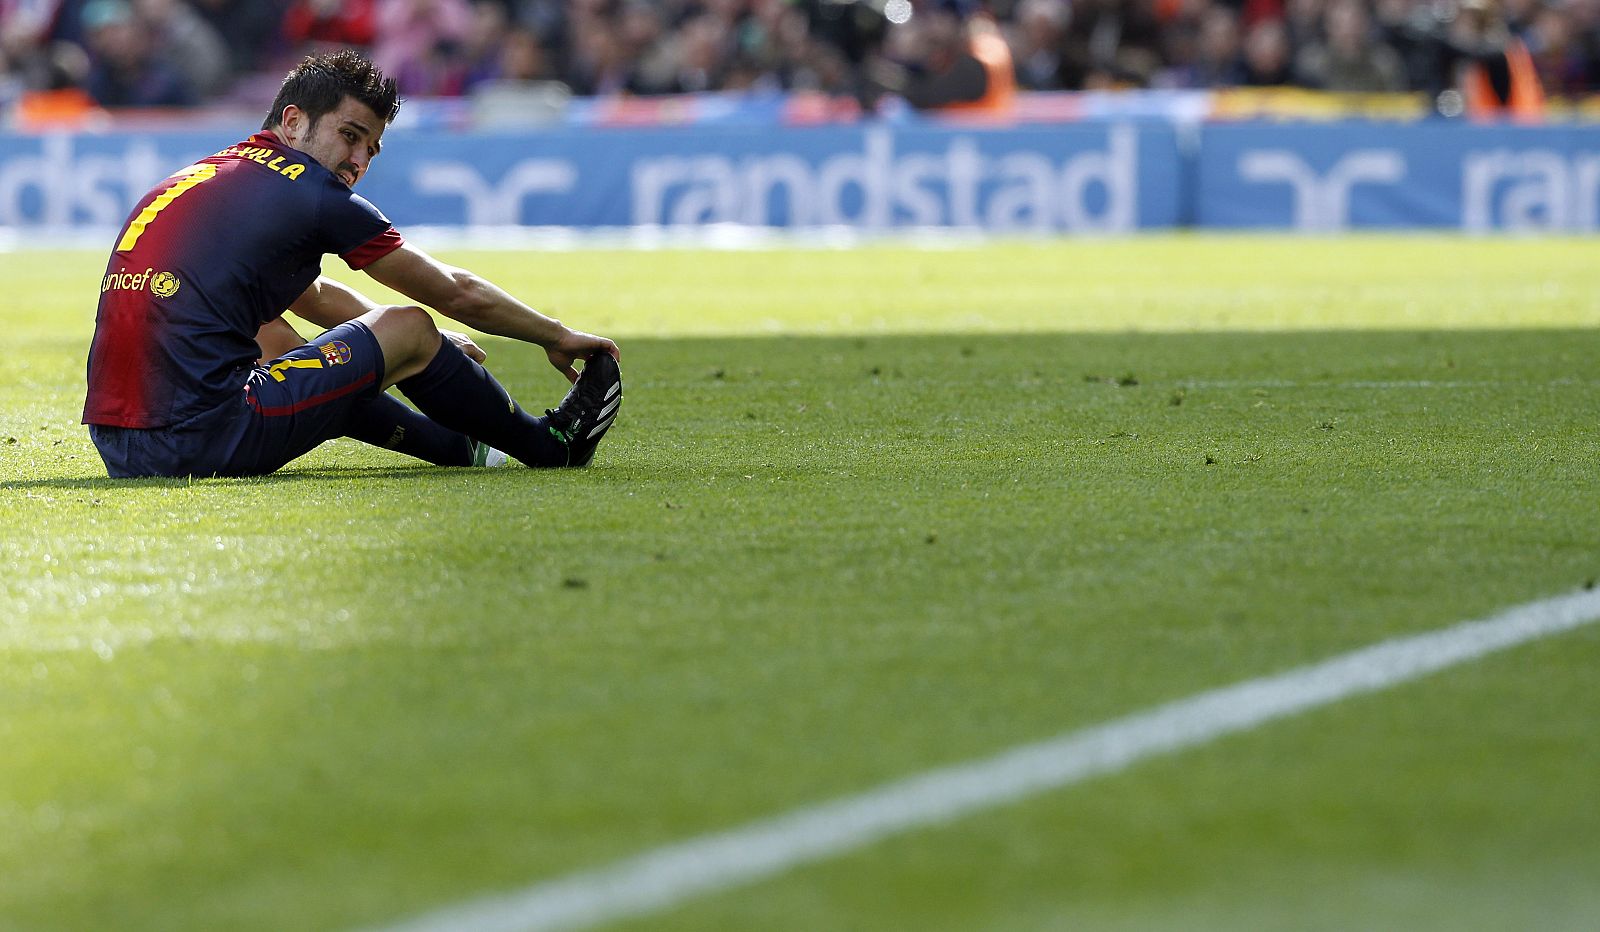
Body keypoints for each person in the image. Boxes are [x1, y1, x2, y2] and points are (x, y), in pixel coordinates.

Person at [82, 49, 622, 478]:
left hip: (119, 443)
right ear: (293, 123)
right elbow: (454, 292)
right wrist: (553, 334)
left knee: (275, 334)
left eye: (372, 148)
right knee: (409, 325)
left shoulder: (209, 174)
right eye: (350, 135)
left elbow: (312, 296)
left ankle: (461, 448)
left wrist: (381, 353)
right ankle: (550, 447)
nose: (359, 161)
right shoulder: (312, 192)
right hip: (202, 438)